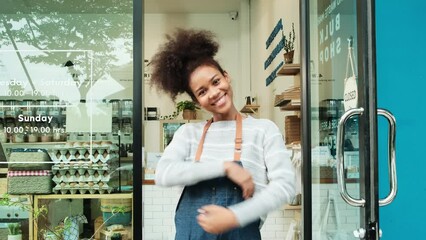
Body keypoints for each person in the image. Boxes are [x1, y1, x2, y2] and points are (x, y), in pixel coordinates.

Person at [151, 28, 295, 240]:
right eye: (202, 92)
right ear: (196, 101)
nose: (214, 93)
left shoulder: (264, 130)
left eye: (216, 81)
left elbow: (285, 186)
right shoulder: (189, 133)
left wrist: (234, 216)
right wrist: (225, 168)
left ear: (226, 77)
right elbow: (163, 174)